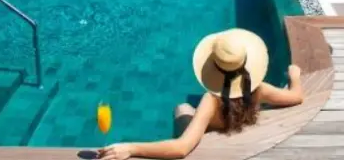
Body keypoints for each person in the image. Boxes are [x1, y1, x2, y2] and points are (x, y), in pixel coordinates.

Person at [99, 28, 304, 159]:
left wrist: (131, 148)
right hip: (236, 124)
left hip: (208, 135)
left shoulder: (211, 101)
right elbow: (296, 97)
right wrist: (294, 76)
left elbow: (181, 148)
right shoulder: (258, 89)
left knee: (182, 108)